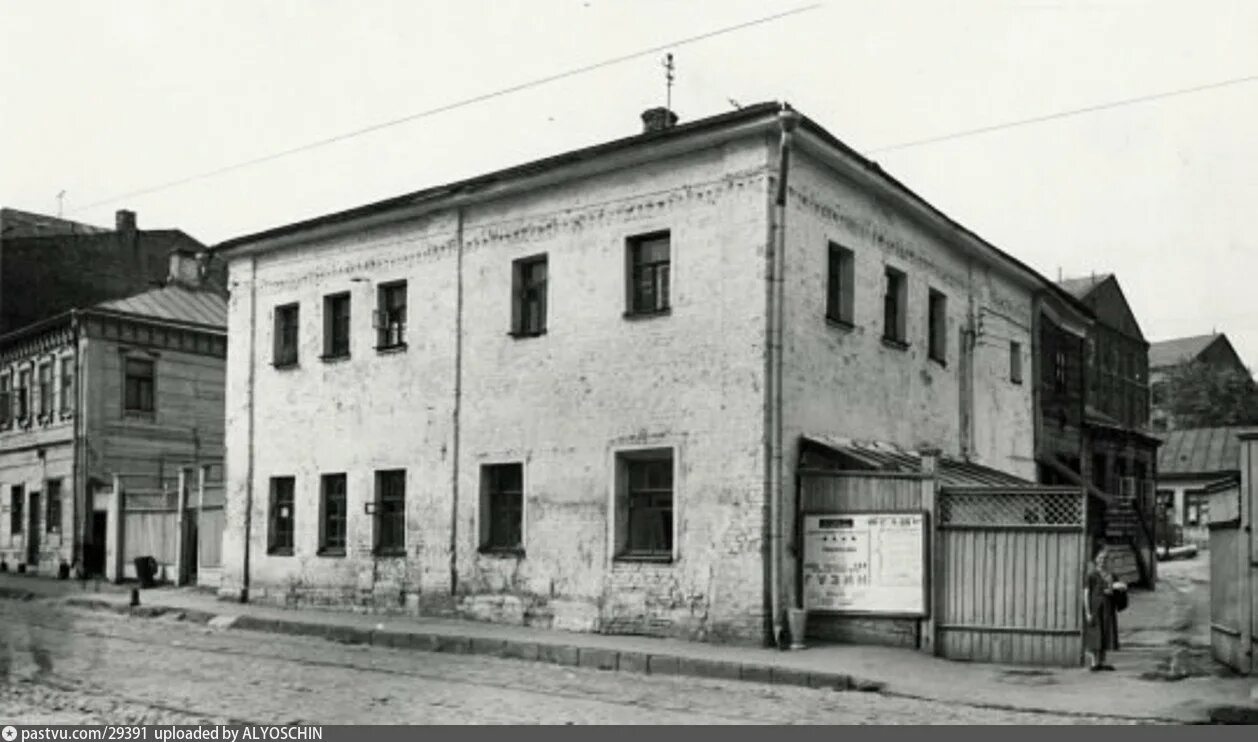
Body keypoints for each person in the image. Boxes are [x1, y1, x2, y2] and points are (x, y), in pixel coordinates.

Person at [1083, 544, 1120, 671]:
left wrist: (1116, 590)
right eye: (1100, 558)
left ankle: (1102, 662)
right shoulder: (1091, 575)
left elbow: (1118, 590)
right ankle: (1094, 663)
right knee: (1095, 634)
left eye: (1105, 559)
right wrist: (1087, 612)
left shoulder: (1111, 576)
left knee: (1105, 633)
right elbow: (1086, 593)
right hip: (1095, 608)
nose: (1102, 561)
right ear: (1096, 560)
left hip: (1108, 608)